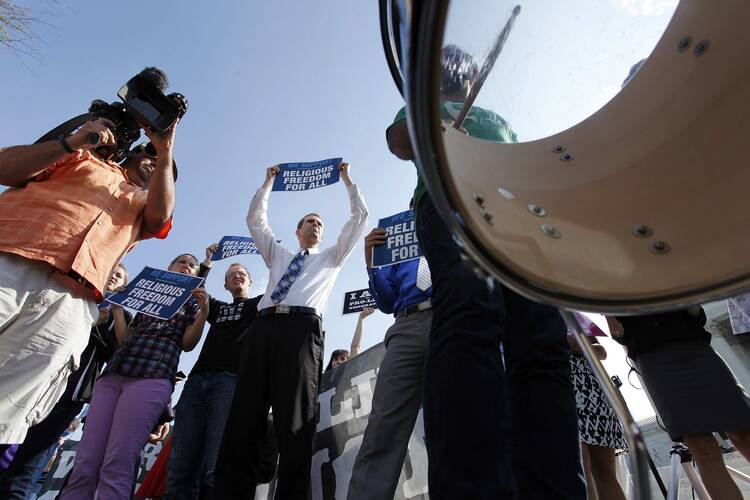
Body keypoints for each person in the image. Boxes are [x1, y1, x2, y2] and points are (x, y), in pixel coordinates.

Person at [386, 45, 586, 498]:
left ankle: (553, 488)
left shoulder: (498, 118)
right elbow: (400, 141)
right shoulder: (422, 107)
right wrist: (431, 123)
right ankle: (473, 488)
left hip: (516, 213)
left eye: (469, 68)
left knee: (539, 339)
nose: (464, 72)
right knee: (469, 316)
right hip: (451, 200)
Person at [0, 67, 178, 445]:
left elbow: (162, 216)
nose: (151, 162)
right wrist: (72, 143)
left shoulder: (142, 205)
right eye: (144, 154)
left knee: (7, 406)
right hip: (10, 262)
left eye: (159, 165)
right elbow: (6, 167)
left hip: (71, 303)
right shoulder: (80, 158)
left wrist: (166, 149)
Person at [215, 162, 368, 499]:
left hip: (301, 331)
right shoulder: (278, 255)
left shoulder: (331, 258)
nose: (316, 225)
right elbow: (256, 221)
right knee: (245, 418)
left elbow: (359, 219)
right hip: (264, 328)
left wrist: (347, 180)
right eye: (310, 222)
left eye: (320, 224)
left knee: (295, 422)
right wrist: (268, 181)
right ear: (298, 231)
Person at [60, 253, 209, 500]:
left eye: (192, 265)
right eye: (181, 261)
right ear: (169, 266)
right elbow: (124, 340)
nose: (187, 266)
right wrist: (118, 308)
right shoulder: (148, 298)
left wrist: (203, 311)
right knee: (86, 459)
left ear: (196, 274)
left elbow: (188, 344)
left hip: (152, 376)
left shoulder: (192, 302)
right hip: (114, 375)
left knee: (118, 460)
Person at [0, 265, 130, 499]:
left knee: (27, 464)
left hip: (69, 395)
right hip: (32, 384)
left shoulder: (118, 317)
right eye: (111, 271)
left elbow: (119, 352)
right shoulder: (74, 296)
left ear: (123, 285)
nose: (113, 276)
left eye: (119, 276)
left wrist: (113, 314)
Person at [608, 308, 750, 500]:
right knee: (701, 447)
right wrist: (604, 309)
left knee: (743, 431)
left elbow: (697, 313)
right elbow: (619, 335)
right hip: (655, 362)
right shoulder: (611, 287)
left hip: (695, 348)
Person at [163, 245, 265, 500]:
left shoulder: (259, 306)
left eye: (242, 273)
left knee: (215, 465)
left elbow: (280, 284)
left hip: (230, 383)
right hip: (196, 383)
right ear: (226, 285)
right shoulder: (217, 308)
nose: (237, 276)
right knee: (180, 465)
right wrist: (207, 261)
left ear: (250, 281)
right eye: (232, 274)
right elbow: (196, 290)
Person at [347, 226, 433, 500]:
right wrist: (370, 260)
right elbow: (385, 301)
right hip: (406, 326)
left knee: (453, 423)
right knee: (383, 427)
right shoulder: (399, 252)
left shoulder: (456, 230)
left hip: (451, 320)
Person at [566, 313, 627, 500]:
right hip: (558, 387)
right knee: (579, 466)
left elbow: (602, 352)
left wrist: (575, 345)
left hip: (592, 390)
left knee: (605, 469)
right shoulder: (525, 315)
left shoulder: (573, 316)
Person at [324, 306, 375, 371]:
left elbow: (355, 346)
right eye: (335, 359)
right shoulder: (324, 379)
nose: (339, 361)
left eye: (342, 359)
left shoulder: (351, 372)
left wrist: (361, 317)